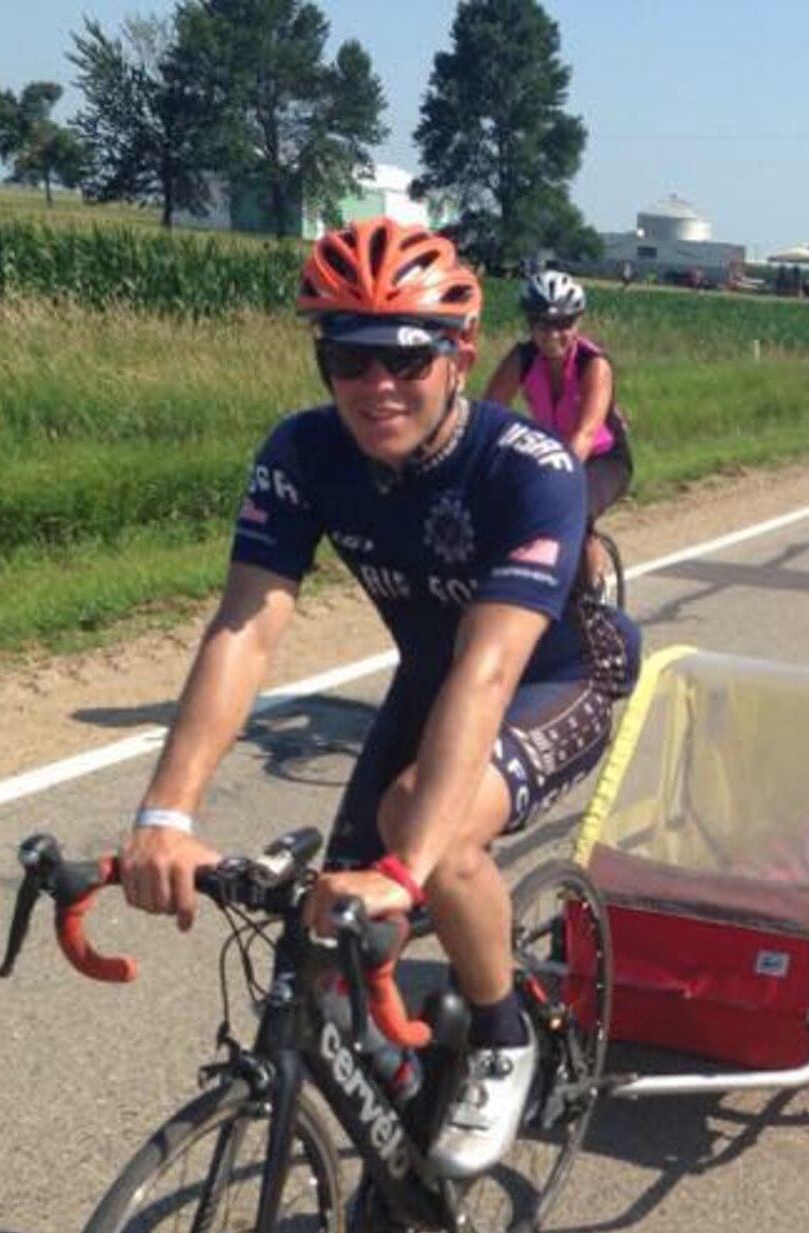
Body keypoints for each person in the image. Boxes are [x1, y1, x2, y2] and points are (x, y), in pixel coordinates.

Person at [120, 217, 641, 1180]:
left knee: (423, 828)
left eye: (406, 356)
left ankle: (500, 1038)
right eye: (348, 360)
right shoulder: (303, 452)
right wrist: (166, 812)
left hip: (562, 674)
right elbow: (245, 626)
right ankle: (402, 1153)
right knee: (324, 954)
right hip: (432, 678)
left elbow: (488, 672)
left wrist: (405, 869)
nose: (377, 386)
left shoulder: (530, 471)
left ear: (460, 355)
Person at [483, 270, 634, 600]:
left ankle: (594, 598)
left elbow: (585, 432)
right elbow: (488, 415)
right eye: (543, 324)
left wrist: (555, 480)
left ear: (577, 323)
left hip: (602, 458)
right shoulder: (522, 359)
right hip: (551, 451)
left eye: (564, 324)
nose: (554, 334)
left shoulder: (593, 365)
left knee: (575, 511)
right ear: (530, 324)